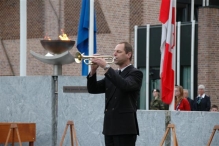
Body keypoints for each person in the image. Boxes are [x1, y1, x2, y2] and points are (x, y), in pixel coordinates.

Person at [87, 42, 143, 146]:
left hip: (125, 128)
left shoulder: (135, 73)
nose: (114, 54)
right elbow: (93, 89)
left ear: (128, 55)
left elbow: (125, 85)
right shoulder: (113, 73)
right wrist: (93, 71)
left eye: (118, 51)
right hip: (109, 127)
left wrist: (106, 67)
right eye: (114, 51)